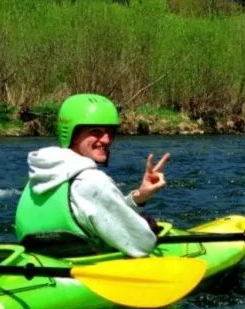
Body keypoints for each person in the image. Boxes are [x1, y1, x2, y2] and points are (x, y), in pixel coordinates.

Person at [14, 93, 169, 258]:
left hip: (41, 264)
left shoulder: (40, 176)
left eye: (110, 132)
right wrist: (148, 228)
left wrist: (139, 196)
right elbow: (142, 244)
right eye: (95, 131)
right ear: (72, 134)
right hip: (84, 271)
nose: (106, 139)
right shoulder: (94, 181)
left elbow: (91, 213)